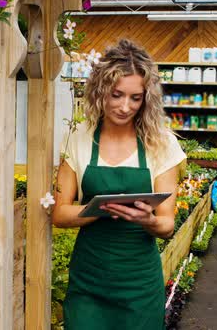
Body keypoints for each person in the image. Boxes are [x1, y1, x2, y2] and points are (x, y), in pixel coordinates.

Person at [51, 39, 186, 329]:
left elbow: (167, 225)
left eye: (135, 98)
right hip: (89, 282)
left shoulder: (161, 144)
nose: (125, 106)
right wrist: (97, 209)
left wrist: (146, 220)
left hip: (139, 286)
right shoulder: (78, 139)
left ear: (145, 99)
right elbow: (59, 214)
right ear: (100, 91)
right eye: (116, 95)